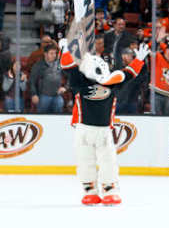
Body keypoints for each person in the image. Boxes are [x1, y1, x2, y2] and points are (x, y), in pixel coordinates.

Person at [59, 38, 150, 205]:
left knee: (108, 161)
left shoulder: (112, 83)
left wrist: (139, 60)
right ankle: (90, 191)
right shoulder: (80, 81)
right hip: (83, 130)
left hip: (104, 132)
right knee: (85, 161)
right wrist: (64, 50)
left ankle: (110, 190)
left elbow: (128, 74)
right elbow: (67, 67)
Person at [29, 44, 66, 113]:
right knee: (42, 117)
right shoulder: (38, 65)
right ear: (45, 54)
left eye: (55, 53)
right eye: (51, 53)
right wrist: (34, 94)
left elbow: (69, 77)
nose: (54, 55)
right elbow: (32, 81)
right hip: (44, 96)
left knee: (58, 117)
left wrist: (65, 87)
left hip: (57, 96)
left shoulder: (59, 64)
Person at [116, 48, 148, 114]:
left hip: (133, 100)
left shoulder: (139, 68)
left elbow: (143, 78)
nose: (125, 57)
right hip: (119, 100)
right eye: (124, 55)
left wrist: (140, 62)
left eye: (128, 55)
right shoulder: (118, 67)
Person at [151, 40, 169, 115]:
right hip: (157, 92)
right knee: (156, 117)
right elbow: (151, 48)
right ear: (167, 50)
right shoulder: (158, 57)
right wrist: (158, 42)